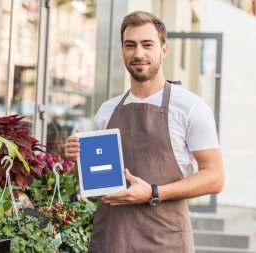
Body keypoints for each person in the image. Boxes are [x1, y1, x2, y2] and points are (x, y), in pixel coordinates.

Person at [64, 11, 224, 253]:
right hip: (111, 239)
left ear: (163, 49)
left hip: (164, 240)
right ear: (123, 51)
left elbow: (215, 176)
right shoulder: (107, 110)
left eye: (147, 44)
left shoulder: (190, 107)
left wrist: (153, 192)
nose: (138, 53)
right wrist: (77, 158)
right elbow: (97, 184)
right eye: (130, 45)